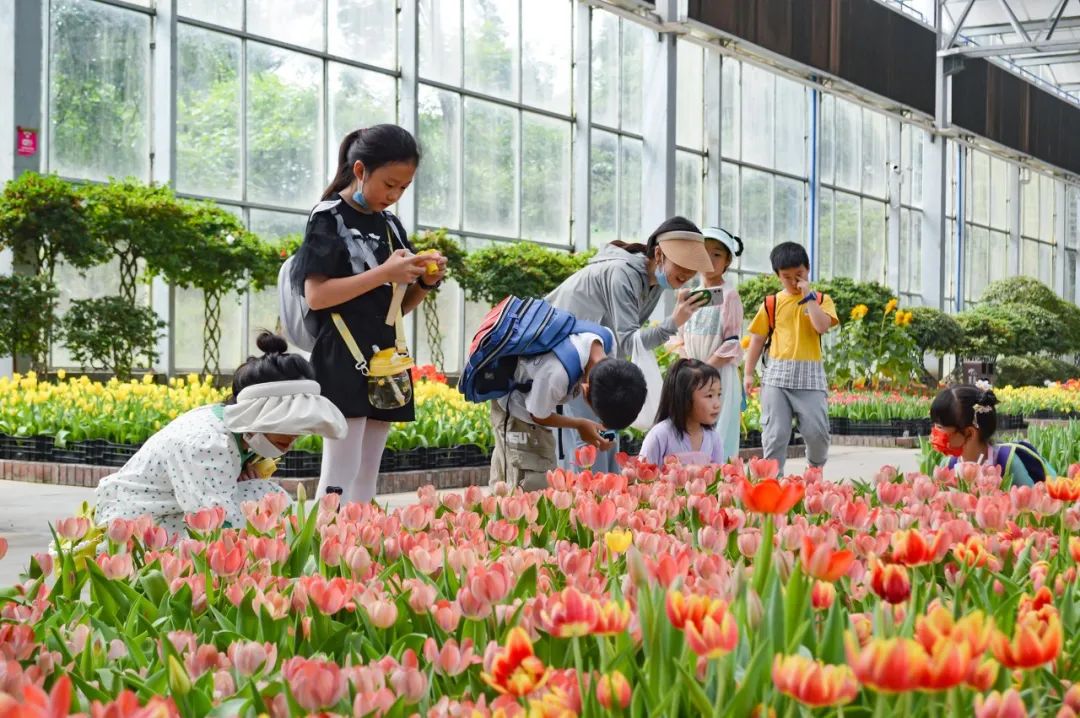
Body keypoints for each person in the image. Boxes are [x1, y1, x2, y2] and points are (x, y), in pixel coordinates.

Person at [291, 125, 447, 504]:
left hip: (385, 357)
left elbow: (396, 308)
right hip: (344, 356)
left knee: (368, 473)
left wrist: (424, 282)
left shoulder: (390, 226)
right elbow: (316, 296)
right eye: (389, 184)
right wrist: (384, 273)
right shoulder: (328, 217)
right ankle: (328, 547)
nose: (393, 197)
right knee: (340, 471)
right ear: (360, 170)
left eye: (403, 188)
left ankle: (359, 551)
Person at [95, 333, 348, 536]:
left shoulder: (228, 425)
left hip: (157, 515)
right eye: (287, 422)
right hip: (129, 529)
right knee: (268, 504)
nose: (295, 436)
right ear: (257, 413)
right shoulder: (208, 444)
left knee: (264, 497)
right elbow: (212, 524)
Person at [545, 216, 714, 472]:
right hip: (570, 361)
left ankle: (610, 502)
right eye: (682, 266)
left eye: (693, 270)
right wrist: (673, 322)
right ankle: (586, 503)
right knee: (588, 440)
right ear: (659, 253)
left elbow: (627, 342)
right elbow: (627, 341)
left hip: (595, 362)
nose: (688, 275)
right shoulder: (622, 274)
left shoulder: (654, 284)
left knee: (607, 435)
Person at [490, 330, 647, 490]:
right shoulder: (556, 376)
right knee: (525, 483)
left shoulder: (606, 339)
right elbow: (537, 415)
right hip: (514, 404)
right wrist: (579, 424)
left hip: (538, 395)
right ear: (584, 391)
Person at [743, 242, 838, 474]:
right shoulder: (771, 303)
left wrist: (809, 298)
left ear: (808, 270)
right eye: (787, 277)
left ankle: (814, 471)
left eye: (799, 275)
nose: (794, 282)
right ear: (778, 276)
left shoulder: (822, 300)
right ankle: (773, 483)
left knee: (817, 433)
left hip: (810, 379)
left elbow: (821, 327)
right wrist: (747, 373)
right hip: (776, 378)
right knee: (775, 435)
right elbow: (757, 340)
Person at [669, 227, 745, 461]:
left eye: (717, 254)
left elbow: (731, 341)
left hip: (718, 376)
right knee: (692, 432)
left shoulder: (729, 295)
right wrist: (689, 368)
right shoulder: (688, 294)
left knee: (719, 434)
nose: (710, 260)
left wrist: (706, 371)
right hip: (692, 375)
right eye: (704, 253)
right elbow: (679, 335)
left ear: (728, 261)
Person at [930, 383, 1052, 486]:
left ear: (969, 433)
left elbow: (1032, 502)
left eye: (940, 427)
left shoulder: (1007, 462)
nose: (934, 432)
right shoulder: (948, 465)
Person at [639, 358, 724, 466]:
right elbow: (643, 475)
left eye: (719, 395)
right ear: (684, 398)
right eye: (709, 396)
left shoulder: (714, 438)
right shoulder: (660, 435)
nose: (717, 404)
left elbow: (720, 477)